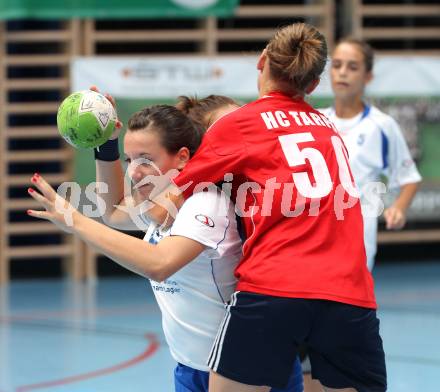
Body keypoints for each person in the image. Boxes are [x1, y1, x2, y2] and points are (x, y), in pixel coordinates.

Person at [145, 23, 387, 392]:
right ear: (313, 86)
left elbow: (159, 210)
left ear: (262, 61)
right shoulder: (327, 126)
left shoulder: (240, 123)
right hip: (350, 294)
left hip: (276, 288)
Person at [28, 102, 303, 392]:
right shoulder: (160, 203)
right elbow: (112, 211)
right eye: (128, 159)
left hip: (243, 365)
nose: (134, 172)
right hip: (191, 366)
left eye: (146, 159)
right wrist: (106, 143)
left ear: (183, 157)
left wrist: (75, 222)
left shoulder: (207, 203)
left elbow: (159, 264)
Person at [320, 37, 421, 271]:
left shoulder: (382, 125)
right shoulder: (317, 121)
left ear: (368, 77)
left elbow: (409, 178)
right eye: (337, 65)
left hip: (357, 243)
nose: (343, 73)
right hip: (315, 237)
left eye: (352, 67)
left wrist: (399, 208)